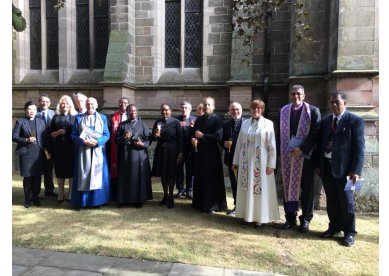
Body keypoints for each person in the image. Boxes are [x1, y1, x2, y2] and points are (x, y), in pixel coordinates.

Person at [315, 91, 364, 247]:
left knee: (346, 202)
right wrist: (318, 165)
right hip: (327, 167)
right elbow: (320, 146)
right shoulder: (326, 121)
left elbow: (359, 149)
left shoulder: (354, 121)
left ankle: (349, 232)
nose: (334, 105)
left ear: (345, 103)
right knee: (332, 201)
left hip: (345, 170)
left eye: (337, 102)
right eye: (331, 102)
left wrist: (356, 170)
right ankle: (334, 227)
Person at [279, 84, 321, 232]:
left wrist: (302, 149)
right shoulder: (284, 111)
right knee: (289, 187)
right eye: (293, 94)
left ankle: (306, 219)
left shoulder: (313, 111)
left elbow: (316, 133)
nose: (295, 96)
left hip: (305, 157)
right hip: (288, 156)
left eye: (298, 94)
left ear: (304, 96)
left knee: (307, 189)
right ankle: (290, 217)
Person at [232, 100, 280, 228]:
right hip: (245, 162)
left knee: (259, 189)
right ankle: (247, 215)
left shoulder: (268, 124)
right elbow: (239, 143)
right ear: (250, 109)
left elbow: (272, 146)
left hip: (261, 162)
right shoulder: (245, 123)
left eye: (258, 108)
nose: (256, 110)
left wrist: (271, 164)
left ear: (262, 110)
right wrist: (236, 161)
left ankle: (260, 218)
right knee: (246, 188)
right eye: (253, 108)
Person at [70, 97, 111, 209]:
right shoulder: (78, 118)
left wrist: (97, 142)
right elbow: (73, 135)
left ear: (96, 105)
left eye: (92, 104)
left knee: (97, 175)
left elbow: (106, 135)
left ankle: (96, 202)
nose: (90, 106)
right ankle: (82, 202)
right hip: (84, 152)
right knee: (84, 175)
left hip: (98, 151)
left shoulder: (102, 118)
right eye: (88, 104)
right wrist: (84, 142)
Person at [191, 97, 227, 214]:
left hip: (212, 155)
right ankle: (199, 203)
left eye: (209, 105)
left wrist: (203, 136)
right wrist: (193, 139)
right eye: (205, 104)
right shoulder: (199, 120)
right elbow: (195, 134)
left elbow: (218, 137)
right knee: (200, 178)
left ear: (213, 107)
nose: (206, 107)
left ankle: (212, 206)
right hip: (200, 153)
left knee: (211, 180)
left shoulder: (217, 120)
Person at [115, 104, 152, 208]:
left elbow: (149, 140)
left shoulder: (143, 125)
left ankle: (139, 200)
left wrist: (143, 144)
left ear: (137, 111)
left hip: (139, 155)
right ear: (127, 112)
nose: (133, 112)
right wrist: (123, 137)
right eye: (130, 111)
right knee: (125, 178)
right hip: (126, 156)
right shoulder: (122, 125)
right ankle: (124, 200)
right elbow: (116, 140)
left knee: (138, 178)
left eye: (135, 110)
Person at [12, 101, 46, 208]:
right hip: (26, 153)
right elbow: (14, 137)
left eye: (34, 109)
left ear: (36, 111)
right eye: (29, 109)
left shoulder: (41, 121)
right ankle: (27, 199)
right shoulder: (20, 121)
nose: (32, 111)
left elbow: (44, 137)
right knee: (28, 177)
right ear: (25, 110)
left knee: (37, 177)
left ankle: (35, 197)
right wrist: (26, 139)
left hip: (38, 153)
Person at [151, 103, 183, 209]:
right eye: (163, 110)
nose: (165, 112)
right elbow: (153, 138)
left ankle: (171, 197)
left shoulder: (176, 122)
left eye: (167, 110)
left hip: (173, 150)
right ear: (161, 111)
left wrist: (180, 152)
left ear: (171, 111)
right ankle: (165, 196)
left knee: (171, 174)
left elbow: (180, 138)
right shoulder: (158, 122)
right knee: (163, 174)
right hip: (161, 150)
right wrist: (155, 135)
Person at [49, 95, 77, 203]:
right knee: (60, 170)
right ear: (60, 106)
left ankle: (70, 193)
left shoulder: (75, 117)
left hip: (71, 147)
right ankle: (61, 193)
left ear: (70, 105)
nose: (64, 105)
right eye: (62, 104)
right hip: (59, 147)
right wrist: (58, 132)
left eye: (66, 103)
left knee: (71, 170)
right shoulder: (56, 117)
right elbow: (50, 133)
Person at [221, 102, 246, 215]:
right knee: (234, 183)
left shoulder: (247, 123)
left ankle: (246, 207)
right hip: (231, 158)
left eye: (238, 109)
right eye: (233, 110)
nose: (235, 112)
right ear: (229, 111)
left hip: (245, 159)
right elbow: (221, 140)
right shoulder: (225, 124)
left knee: (245, 184)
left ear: (241, 110)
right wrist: (223, 144)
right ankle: (237, 206)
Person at [36, 94, 57, 197]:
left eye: (47, 102)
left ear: (50, 103)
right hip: (37, 145)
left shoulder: (53, 113)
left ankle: (49, 190)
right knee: (37, 169)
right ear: (39, 102)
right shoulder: (33, 112)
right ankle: (36, 191)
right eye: (42, 101)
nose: (44, 103)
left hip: (50, 146)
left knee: (49, 169)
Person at [109, 97, 130, 201]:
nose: (123, 104)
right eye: (121, 102)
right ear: (118, 104)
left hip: (128, 148)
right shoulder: (113, 118)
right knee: (116, 170)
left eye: (125, 103)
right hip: (116, 148)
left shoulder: (132, 116)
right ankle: (115, 194)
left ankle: (127, 193)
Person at [175, 101, 197, 199]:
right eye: (182, 107)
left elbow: (198, 133)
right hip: (179, 149)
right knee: (179, 170)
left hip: (191, 150)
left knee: (190, 170)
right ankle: (180, 190)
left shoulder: (195, 120)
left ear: (190, 109)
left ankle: (190, 190)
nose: (184, 109)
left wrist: (193, 128)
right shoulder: (176, 120)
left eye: (186, 108)